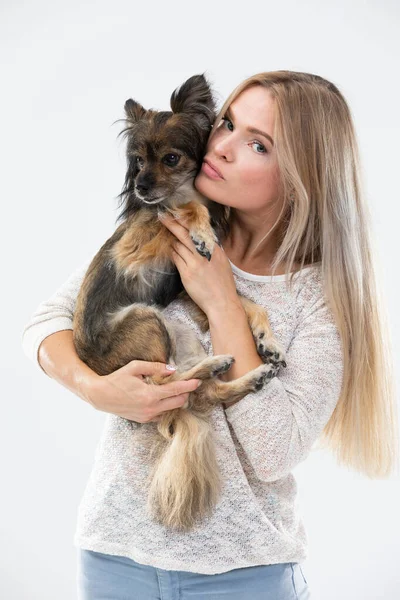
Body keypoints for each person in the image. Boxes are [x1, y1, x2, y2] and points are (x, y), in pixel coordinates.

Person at [22, 70, 398, 600]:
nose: (220, 147)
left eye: (257, 144)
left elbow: (273, 454)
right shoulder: (166, 224)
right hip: (113, 556)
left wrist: (221, 300)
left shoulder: (319, 298)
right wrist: (94, 389)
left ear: (303, 174)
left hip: (244, 577)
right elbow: (46, 322)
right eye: (226, 124)